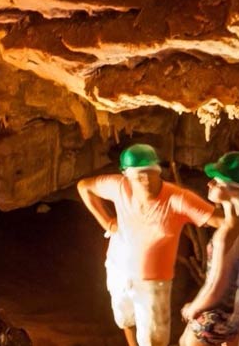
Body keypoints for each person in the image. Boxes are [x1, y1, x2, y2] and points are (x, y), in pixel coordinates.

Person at [78, 143, 220, 346]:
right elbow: (84, 187)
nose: (146, 180)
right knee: (124, 318)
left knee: (154, 339)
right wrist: (107, 222)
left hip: (153, 281)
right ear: (127, 175)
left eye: (150, 173)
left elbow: (217, 219)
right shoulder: (118, 186)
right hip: (118, 268)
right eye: (139, 175)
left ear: (158, 171)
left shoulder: (176, 198)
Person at [182, 152, 239, 346]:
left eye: (216, 181)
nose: (209, 184)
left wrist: (193, 308)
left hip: (222, 314)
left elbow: (217, 288)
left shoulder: (227, 234)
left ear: (233, 190)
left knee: (186, 340)